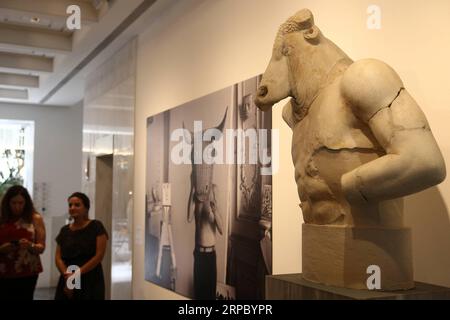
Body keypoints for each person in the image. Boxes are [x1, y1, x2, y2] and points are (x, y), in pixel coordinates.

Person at [54, 192, 108, 300]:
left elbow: (99, 256)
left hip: (89, 276)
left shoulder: (96, 226)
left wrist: (76, 275)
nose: (73, 208)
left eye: (77, 205)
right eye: (70, 205)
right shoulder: (65, 230)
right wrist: (68, 276)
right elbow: (58, 257)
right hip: (68, 275)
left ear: (86, 208)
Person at [0, 185, 46, 300]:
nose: (17, 207)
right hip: (4, 268)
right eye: (13, 203)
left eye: (20, 203)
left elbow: (41, 247)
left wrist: (30, 245)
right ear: (7, 203)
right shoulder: (2, 219)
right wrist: (5, 247)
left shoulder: (35, 218)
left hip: (28, 270)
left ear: (26, 203)